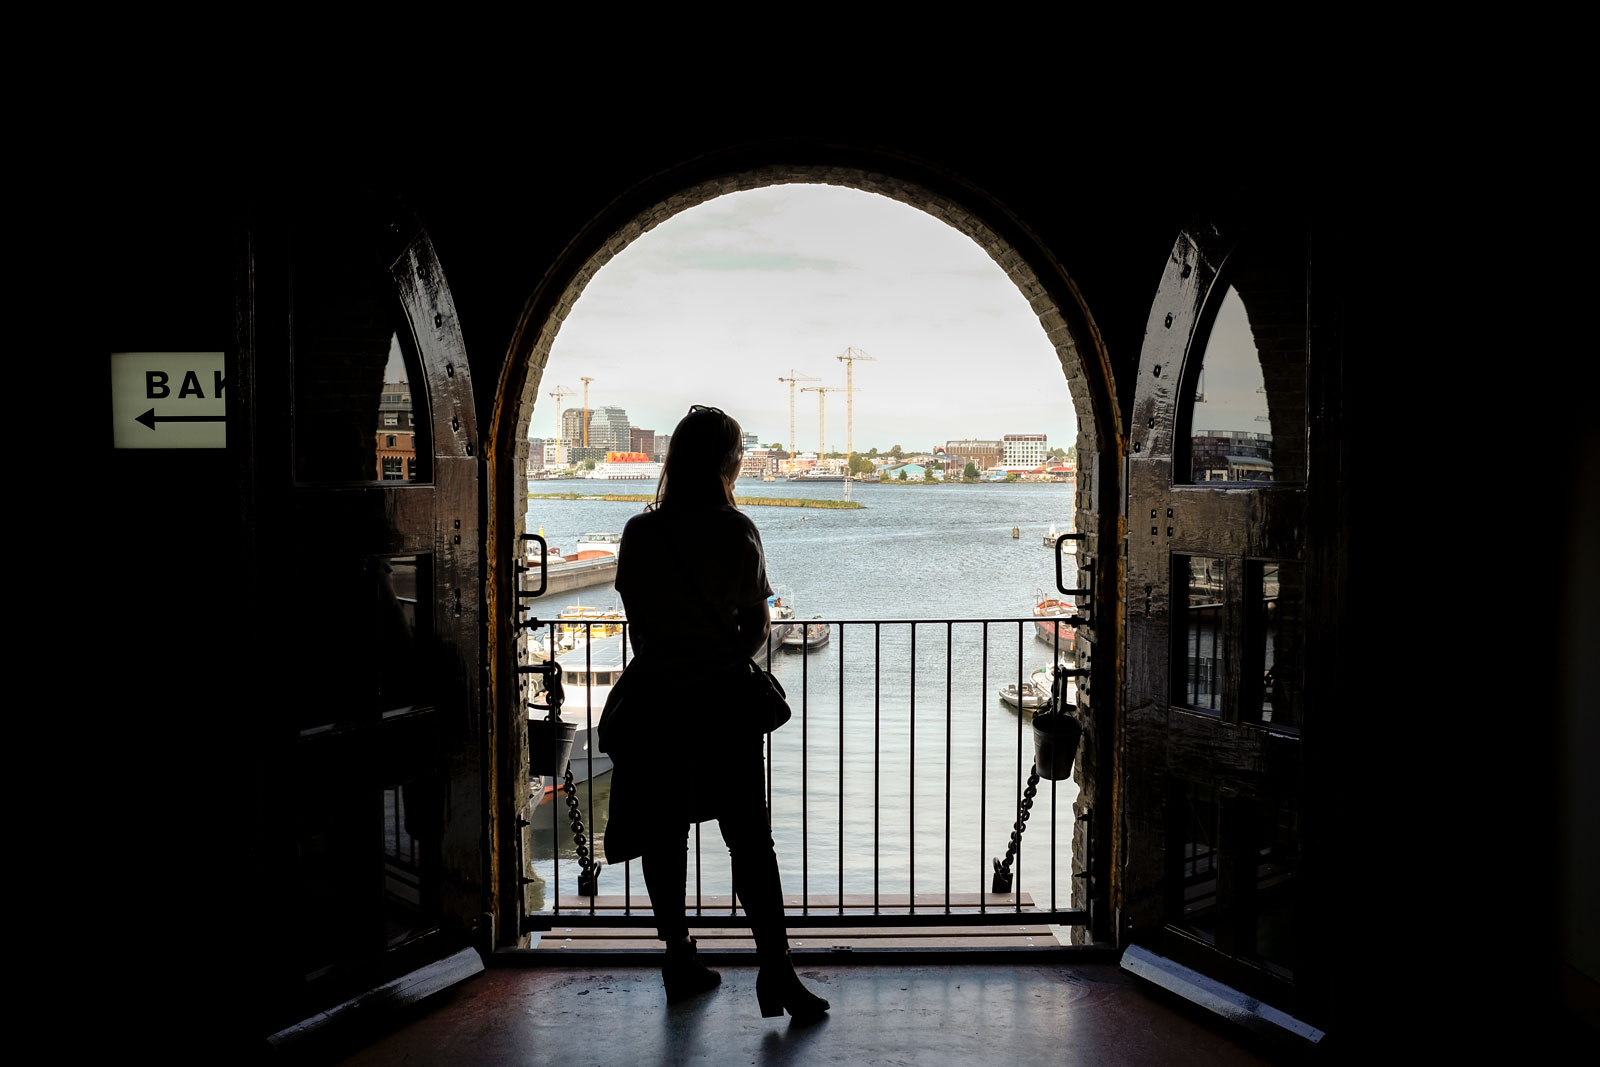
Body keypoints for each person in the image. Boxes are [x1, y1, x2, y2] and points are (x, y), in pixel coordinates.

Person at [603, 404, 829, 1022]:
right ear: (728, 463)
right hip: (723, 705)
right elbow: (757, 628)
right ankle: (776, 970)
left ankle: (678, 957)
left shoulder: (639, 533)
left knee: (662, 831)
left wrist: (673, 661)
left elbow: (639, 627)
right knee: (750, 841)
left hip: (657, 701)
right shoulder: (737, 531)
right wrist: (715, 659)